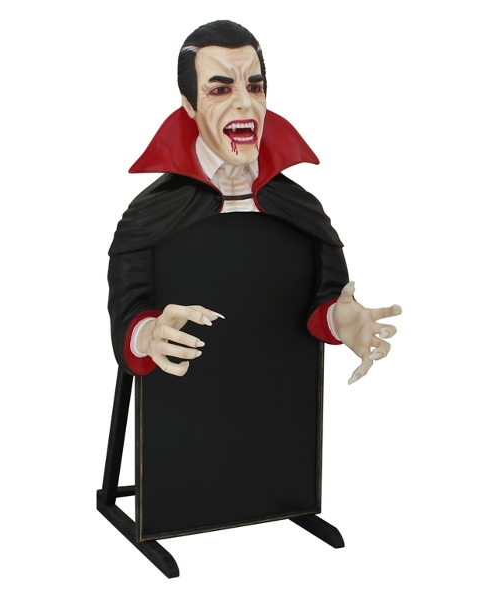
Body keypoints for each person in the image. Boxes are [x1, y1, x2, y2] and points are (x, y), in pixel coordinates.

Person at [108, 20, 400, 386]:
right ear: (189, 105)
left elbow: (324, 301)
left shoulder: (301, 208)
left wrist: (340, 321)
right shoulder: (149, 214)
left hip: (280, 398)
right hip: (182, 400)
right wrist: (147, 334)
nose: (244, 102)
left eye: (254, 86)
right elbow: (130, 312)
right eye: (220, 89)